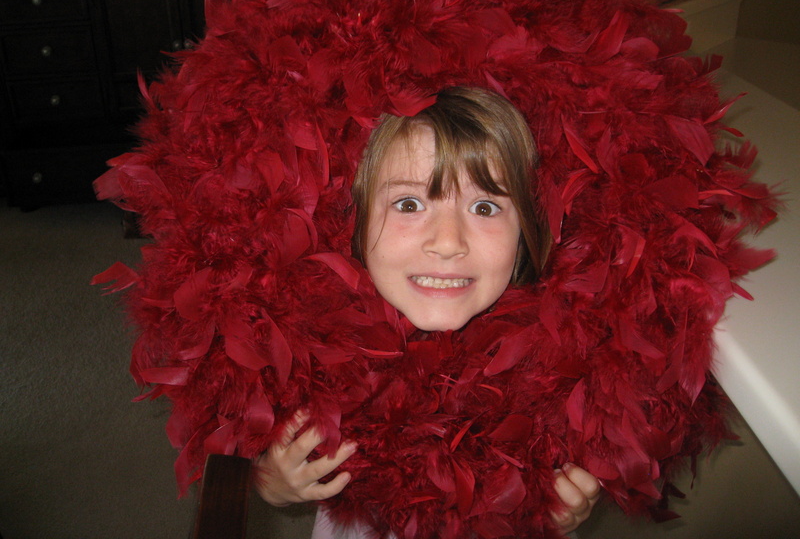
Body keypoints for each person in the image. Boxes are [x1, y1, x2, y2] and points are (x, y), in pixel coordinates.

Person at [253, 87, 601, 537]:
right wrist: (276, 484)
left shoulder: (558, 372)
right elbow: (263, 465)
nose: (447, 241)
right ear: (354, 226)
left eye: (484, 206)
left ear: (524, 239)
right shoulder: (313, 347)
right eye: (409, 204)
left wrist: (562, 511)